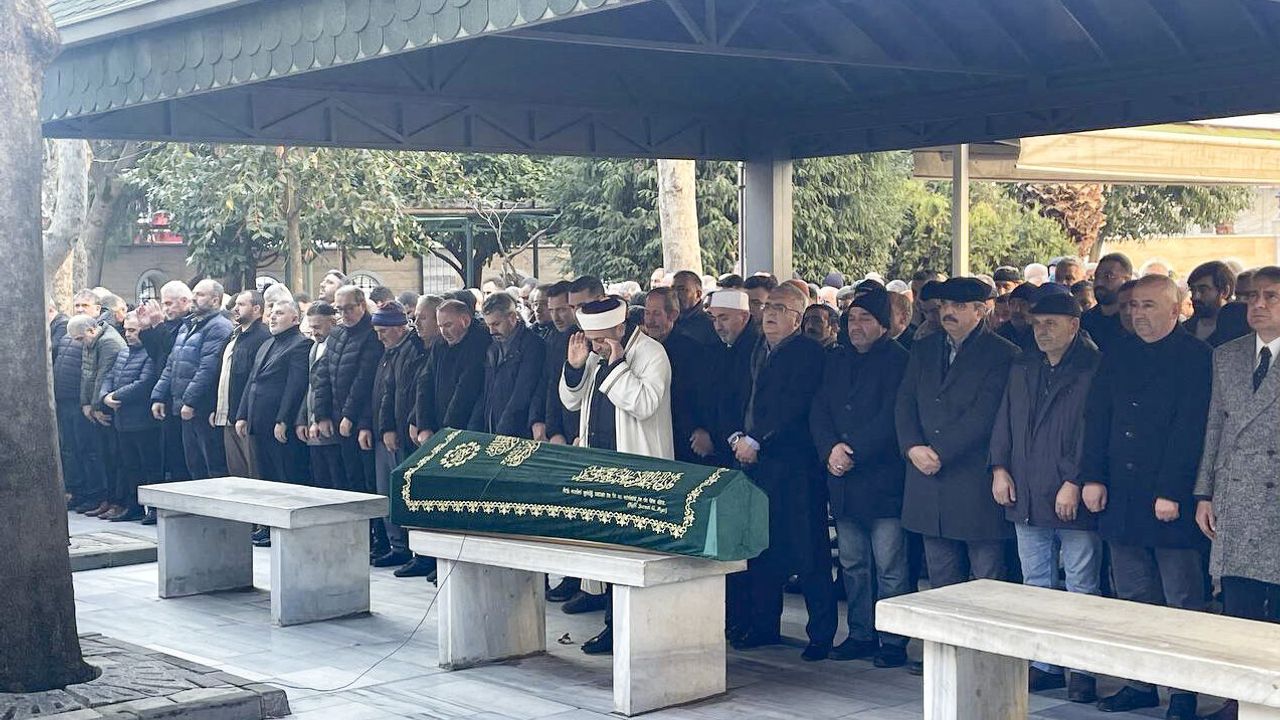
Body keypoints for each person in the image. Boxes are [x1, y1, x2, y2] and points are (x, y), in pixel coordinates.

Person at [1081, 274, 1211, 720]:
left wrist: (1172, 491)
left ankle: (1183, 692)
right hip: (1122, 492)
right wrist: (1092, 476)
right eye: (1133, 305)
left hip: (1170, 497)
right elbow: (1097, 417)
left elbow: (1192, 430)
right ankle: (1140, 682)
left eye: (1149, 305)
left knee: (1181, 599)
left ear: (1176, 309)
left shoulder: (1196, 357)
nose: (1138, 314)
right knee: (1133, 595)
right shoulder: (1117, 353)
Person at [989, 293, 1103, 702]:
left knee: (1081, 584)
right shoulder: (1023, 365)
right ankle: (1045, 663)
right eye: (1038, 323)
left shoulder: (1092, 367)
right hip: (1025, 488)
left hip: (1070, 491)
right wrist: (999, 467)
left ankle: (1082, 669)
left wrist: (1075, 479)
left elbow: (1092, 431)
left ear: (1074, 325)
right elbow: (1004, 419)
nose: (1042, 331)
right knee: (1035, 583)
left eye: (1052, 323)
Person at [725, 283, 835, 661]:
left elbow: (794, 405)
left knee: (809, 550)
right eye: (768, 306)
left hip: (794, 467)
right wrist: (736, 436)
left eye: (781, 309)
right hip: (753, 463)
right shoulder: (755, 347)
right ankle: (763, 624)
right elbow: (736, 397)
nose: (770, 313)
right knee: (761, 546)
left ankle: (821, 634)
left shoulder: (808, 353)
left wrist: (757, 440)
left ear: (798, 319)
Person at [560, 295, 674, 655]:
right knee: (608, 552)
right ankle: (613, 627)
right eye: (591, 340)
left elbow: (644, 404)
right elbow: (571, 401)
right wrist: (575, 367)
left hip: (637, 466)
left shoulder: (652, 353)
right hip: (599, 466)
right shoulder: (597, 356)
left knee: (633, 554)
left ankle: (637, 630)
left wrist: (617, 365)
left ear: (621, 328)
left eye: (601, 339)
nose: (595, 346)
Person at [1193, 267, 1280, 720]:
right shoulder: (1226, 355)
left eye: (1271, 297)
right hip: (1235, 496)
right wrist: (1204, 493)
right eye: (1252, 297)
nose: (1258, 305)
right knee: (1238, 606)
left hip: (1275, 498)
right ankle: (1238, 699)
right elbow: (1216, 427)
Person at [810, 288, 910, 668]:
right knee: (853, 564)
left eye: (865, 319)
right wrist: (829, 449)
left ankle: (893, 640)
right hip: (844, 481)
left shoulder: (899, 360)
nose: (856, 326)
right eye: (851, 319)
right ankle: (860, 633)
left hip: (882, 480)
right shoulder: (836, 359)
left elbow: (894, 416)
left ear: (883, 324)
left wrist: (852, 452)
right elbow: (819, 408)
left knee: (890, 566)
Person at [896, 277, 1017, 588]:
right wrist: (912, 447)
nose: (948, 312)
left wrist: (939, 452)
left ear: (980, 310)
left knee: (986, 578)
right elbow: (905, 401)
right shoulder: (923, 347)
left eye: (959, 306)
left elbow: (985, 414)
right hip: (927, 480)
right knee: (941, 579)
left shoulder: (1002, 354)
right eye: (945, 305)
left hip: (973, 481)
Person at [151, 279, 233, 481]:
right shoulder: (188, 326)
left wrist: (190, 402)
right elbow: (172, 364)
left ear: (215, 300)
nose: (194, 298)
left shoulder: (219, 327)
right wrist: (158, 396)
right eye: (194, 294)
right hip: (184, 406)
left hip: (202, 407)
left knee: (212, 466)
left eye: (201, 295)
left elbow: (207, 368)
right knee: (194, 464)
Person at [367, 302, 426, 572]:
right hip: (387, 431)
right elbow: (383, 393)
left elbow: (401, 394)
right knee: (386, 492)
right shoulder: (389, 352)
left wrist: (391, 427)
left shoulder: (410, 351)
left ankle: (410, 548)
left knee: (402, 492)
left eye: (384, 331)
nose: (379, 337)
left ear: (400, 328)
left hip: (401, 433)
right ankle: (397, 546)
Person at [314, 285, 384, 495]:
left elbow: (365, 381)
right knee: (346, 480)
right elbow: (323, 375)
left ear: (362, 305)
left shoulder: (372, 334)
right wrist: (322, 414)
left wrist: (350, 416)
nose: (344, 314)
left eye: (349, 308)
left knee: (366, 482)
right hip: (337, 417)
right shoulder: (336, 333)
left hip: (360, 418)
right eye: (339, 309)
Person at [236, 300, 311, 487]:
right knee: (265, 477)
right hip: (258, 420)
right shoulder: (267, 344)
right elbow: (252, 380)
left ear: (295, 319)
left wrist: (283, 420)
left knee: (285, 476)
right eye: (272, 313)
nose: (272, 317)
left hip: (279, 422)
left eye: (280, 313)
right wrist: (242, 415)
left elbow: (295, 387)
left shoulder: (301, 344)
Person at [99, 311, 159, 522]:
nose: (128, 334)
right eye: (126, 330)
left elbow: (144, 383)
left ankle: (154, 508)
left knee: (150, 466)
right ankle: (133, 505)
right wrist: (104, 396)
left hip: (143, 421)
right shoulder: (124, 352)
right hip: (122, 420)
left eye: (133, 330)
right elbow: (110, 376)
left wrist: (115, 396)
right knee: (130, 466)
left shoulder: (150, 353)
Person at [644, 287, 714, 464]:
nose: (650, 321)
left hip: (684, 439)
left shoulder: (692, 351)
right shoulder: (640, 348)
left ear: (673, 315)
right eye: (647, 313)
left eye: (656, 314)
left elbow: (705, 396)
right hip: (650, 436)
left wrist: (703, 429)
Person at [70, 314, 127, 518]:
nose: (79, 343)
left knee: (115, 456)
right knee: (105, 456)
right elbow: (86, 375)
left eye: (79, 338)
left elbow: (103, 375)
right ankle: (108, 499)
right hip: (96, 405)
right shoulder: (91, 341)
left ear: (91, 330)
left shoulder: (108, 342)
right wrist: (85, 403)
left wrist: (95, 406)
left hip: (108, 407)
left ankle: (117, 501)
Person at [213, 290, 270, 479]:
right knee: (236, 473)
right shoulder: (234, 335)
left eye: (241, 305)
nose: (235, 309)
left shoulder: (263, 337)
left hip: (247, 417)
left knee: (253, 472)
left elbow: (254, 380)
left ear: (257, 309)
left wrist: (244, 414)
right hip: (227, 413)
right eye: (235, 305)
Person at [470, 293, 544, 437]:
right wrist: (474, 429)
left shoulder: (532, 346)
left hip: (518, 433)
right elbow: (486, 393)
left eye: (496, 324)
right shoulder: (493, 348)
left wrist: (502, 432)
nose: (491, 331)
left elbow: (522, 394)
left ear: (512, 317)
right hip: (493, 427)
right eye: (488, 325)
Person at [296, 302, 343, 493]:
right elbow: (311, 386)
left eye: (318, 327)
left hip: (329, 423)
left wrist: (318, 419)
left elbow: (329, 387)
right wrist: (302, 419)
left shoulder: (337, 345)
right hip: (313, 423)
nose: (314, 332)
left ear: (332, 322)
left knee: (336, 481)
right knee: (320, 480)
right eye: (311, 327)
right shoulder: (315, 347)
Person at [1185, 261, 1249, 348]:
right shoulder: (1184, 330)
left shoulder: (1240, 331)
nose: (1195, 297)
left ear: (1224, 292)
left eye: (1203, 290)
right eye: (1192, 290)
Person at [670, 270, 719, 347]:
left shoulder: (711, 325)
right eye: (672, 289)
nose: (674, 294)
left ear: (698, 294)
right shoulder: (669, 319)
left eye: (681, 289)